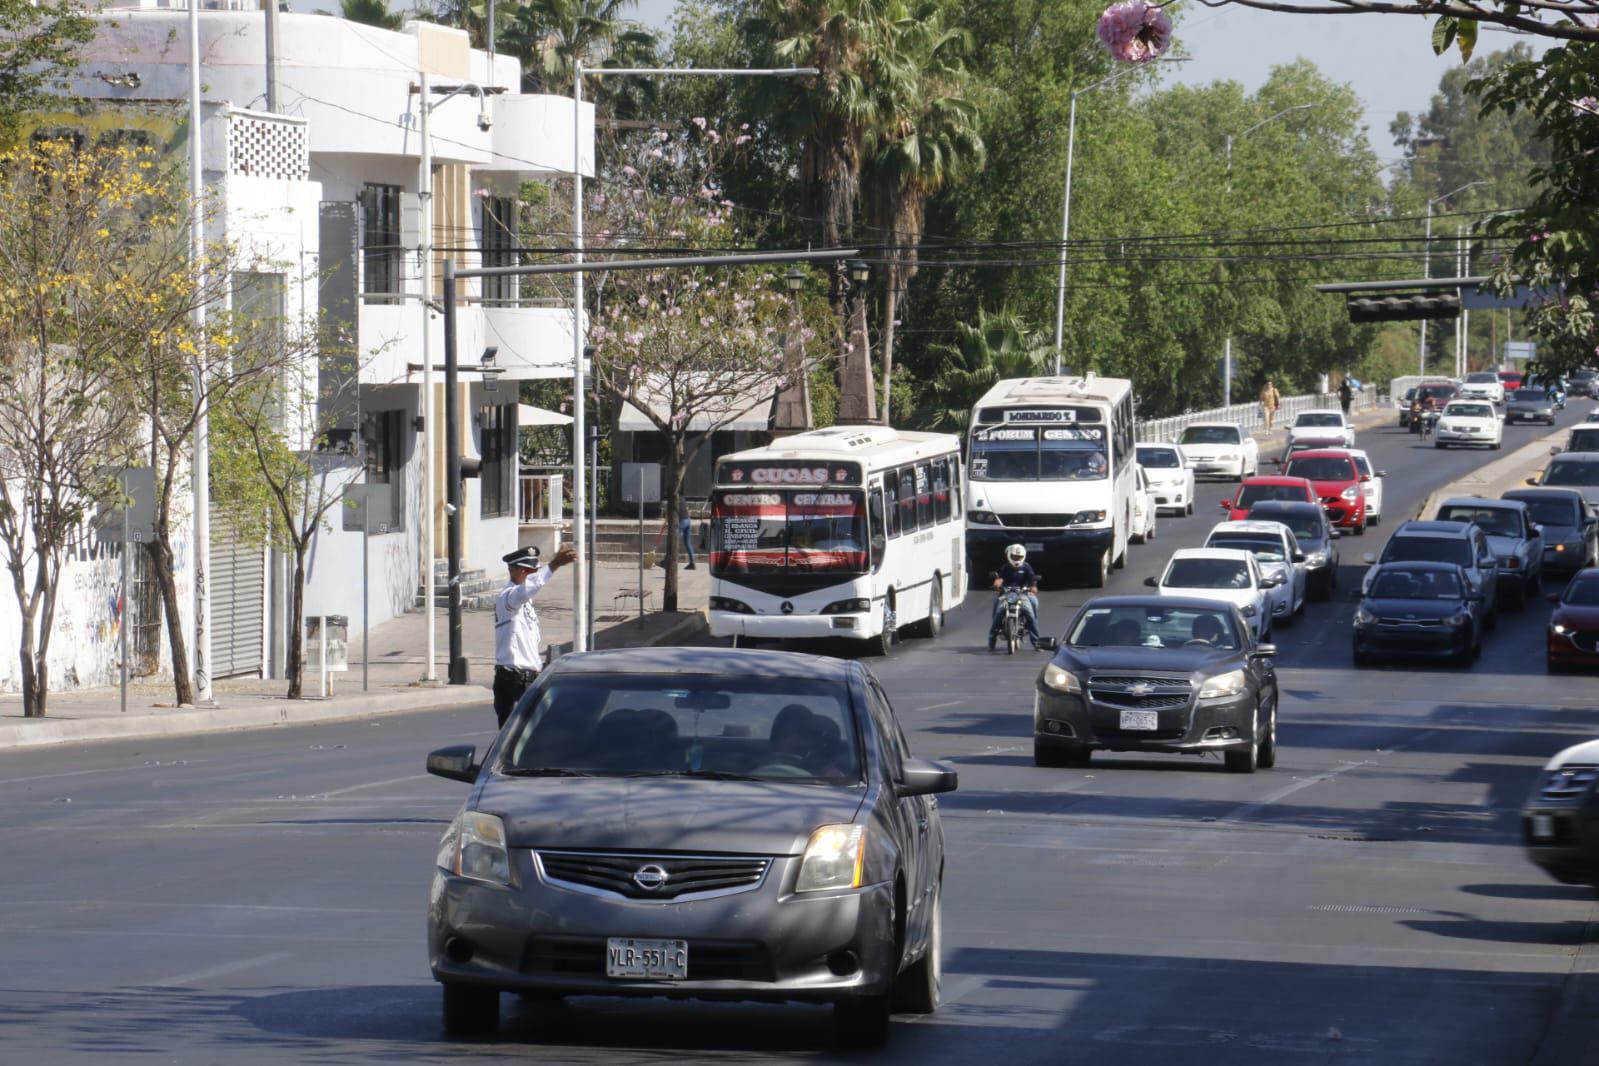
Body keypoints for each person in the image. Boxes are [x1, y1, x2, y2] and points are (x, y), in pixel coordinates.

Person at [493, 543, 577, 729]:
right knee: (513, 738)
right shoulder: (508, 598)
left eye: (534, 571)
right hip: (512, 682)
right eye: (528, 572)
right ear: (513, 570)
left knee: (540, 733)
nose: (532, 576)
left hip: (531, 679)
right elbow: (529, 588)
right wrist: (554, 565)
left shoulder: (525, 603)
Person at [988, 543, 1043, 650]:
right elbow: (1000, 579)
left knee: (1032, 612)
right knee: (997, 613)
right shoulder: (1005, 568)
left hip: (1023, 594)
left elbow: (1032, 578)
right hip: (1007, 594)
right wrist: (997, 583)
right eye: (1014, 556)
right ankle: (992, 640)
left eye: (1019, 557)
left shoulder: (1026, 567)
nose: (1016, 559)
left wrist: (1033, 587)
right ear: (1009, 555)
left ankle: (1036, 642)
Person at [678, 493, 696, 570]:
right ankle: (692, 563)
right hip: (688, 521)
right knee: (687, 542)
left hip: (682, 521)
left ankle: (668, 560)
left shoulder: (673, 499)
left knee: (673, 541)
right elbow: (687, 509)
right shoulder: (682, 498)